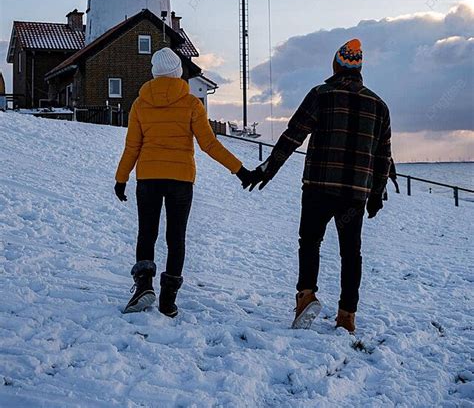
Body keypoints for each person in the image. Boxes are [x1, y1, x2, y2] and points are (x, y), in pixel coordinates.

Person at [240, 39, 391, 333]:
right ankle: (347, 315)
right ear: (360, 69)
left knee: (309, 242)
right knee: (351, 253)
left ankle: (306, 297)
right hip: (355, 194)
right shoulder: (379, 106)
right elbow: (383, 155)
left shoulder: (321, 94)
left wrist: (267, 171)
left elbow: (292, 136)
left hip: (318, 188)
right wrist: (376, 194)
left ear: (335, 65)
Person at [114, 47, 251, 315]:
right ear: (178, 73)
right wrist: (240, 170)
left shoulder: (140, 104)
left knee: (147, 233)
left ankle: (144, 286)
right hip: (180, 181)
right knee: (175, 237)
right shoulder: (191, 104)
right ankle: (168, 300)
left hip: (148, 179)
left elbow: (132, 148)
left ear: (154, 74)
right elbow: (209, 144)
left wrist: (121, 180)